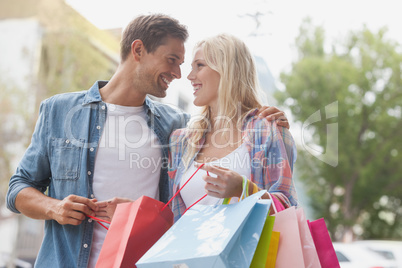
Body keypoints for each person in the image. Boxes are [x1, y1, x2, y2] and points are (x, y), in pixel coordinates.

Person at [6, 14, 289, 268]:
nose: (179, 74)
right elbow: (18, 188)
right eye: (172, 60)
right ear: (138, 50)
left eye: (187, 64)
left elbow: (168, 216)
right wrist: (54, 208)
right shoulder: (60, 111)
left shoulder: (175, 127)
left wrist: (276, 132)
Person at [168, 34, 298, 221]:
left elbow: (288, 209)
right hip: (192, 250)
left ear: (227, 71)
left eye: (200, 65)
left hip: (248, 250)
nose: (190, 76)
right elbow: (171, 217)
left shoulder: (266, 131)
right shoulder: (181, 141)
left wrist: (245, 190)